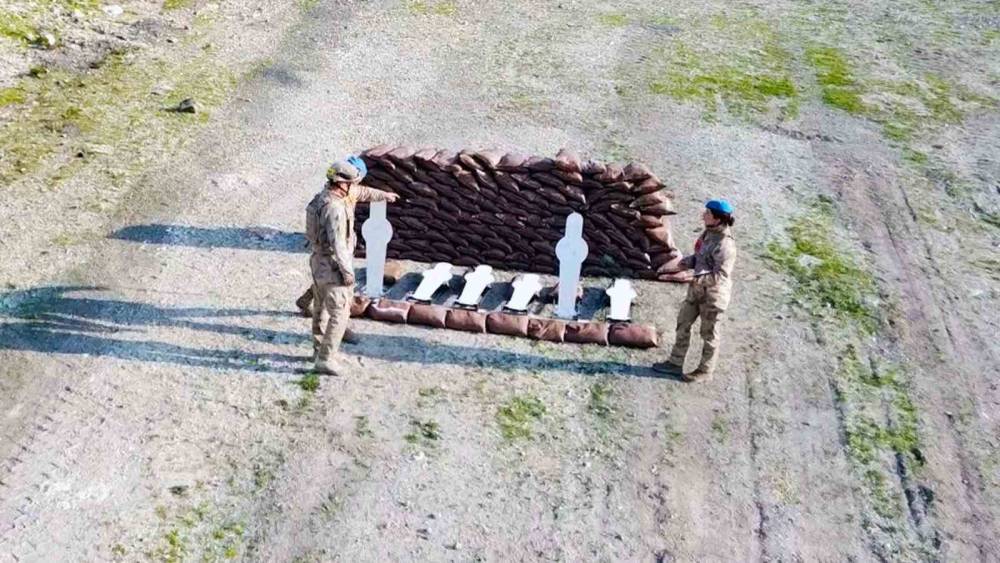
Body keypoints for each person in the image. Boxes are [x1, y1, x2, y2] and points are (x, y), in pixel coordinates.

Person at [305, 156, 399, 375]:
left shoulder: (322, 198)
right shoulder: (335, 208)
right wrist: (347, 273)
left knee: (320, 308)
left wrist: (385, 196)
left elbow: (362, 192)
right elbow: (337, 243)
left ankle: (318, 350)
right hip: (333, 265)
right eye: (351, 183)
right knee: (340, 313)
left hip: (318, 263)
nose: (354, 186)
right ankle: (325, 359)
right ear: (342, 183)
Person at [653, 200, 737, 382]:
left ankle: (705, 371)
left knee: (709, 335)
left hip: (713, 297)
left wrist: (692, 278)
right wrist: (685, 263)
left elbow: (720, 276)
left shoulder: (725, 246)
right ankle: (675, 363)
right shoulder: (708, 233)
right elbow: (700, 256)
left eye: (707, 213)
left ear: (717, 218)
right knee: (682, 324)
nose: (703, 215)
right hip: (696, 291)